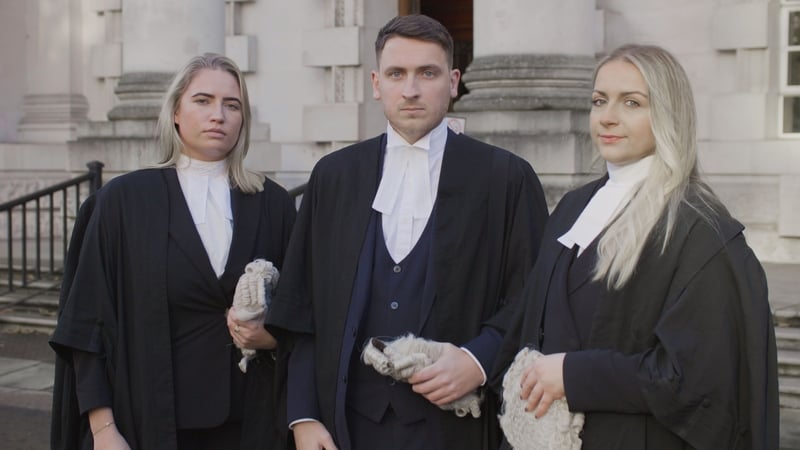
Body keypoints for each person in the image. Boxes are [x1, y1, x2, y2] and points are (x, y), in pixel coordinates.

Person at [265, 14, 549, 450]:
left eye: (427, 73)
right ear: (377, 83)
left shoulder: (506, 178)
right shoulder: (333, 177)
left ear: (453, 82)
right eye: (397, 74)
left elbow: (531, 299)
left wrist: (478, 360)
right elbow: (303, 309)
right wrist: (303, 416)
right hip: (348, 426)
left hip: (460, 426)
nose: (411, 89)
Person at [491, 44, 779, 450]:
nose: (608, 117)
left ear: (667, 113)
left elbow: (700, 381)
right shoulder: (574, 207)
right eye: (599, 101)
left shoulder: (700, 229)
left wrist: (574, 375)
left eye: (632, 103)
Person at [49, 53, 296, 450]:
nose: (218, 114)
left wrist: (270, 336)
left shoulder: (273, 204)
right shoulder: (122, 203)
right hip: (151, 423)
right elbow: (87, 326)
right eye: (203, 100)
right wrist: (102, 430)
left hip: (253, 423)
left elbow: (303, 314)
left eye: (232, 105)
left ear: (243, 119)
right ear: (176, 112)